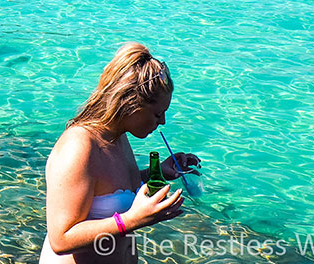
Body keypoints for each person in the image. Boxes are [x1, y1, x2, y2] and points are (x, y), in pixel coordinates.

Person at [42, 43, 200, 263]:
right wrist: (131, 220)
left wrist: (158, 173)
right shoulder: (78, 147)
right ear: (131, 104)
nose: (162, 121)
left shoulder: (117, 137)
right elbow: (60, 239)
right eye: (157, 114)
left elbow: (109, 189)